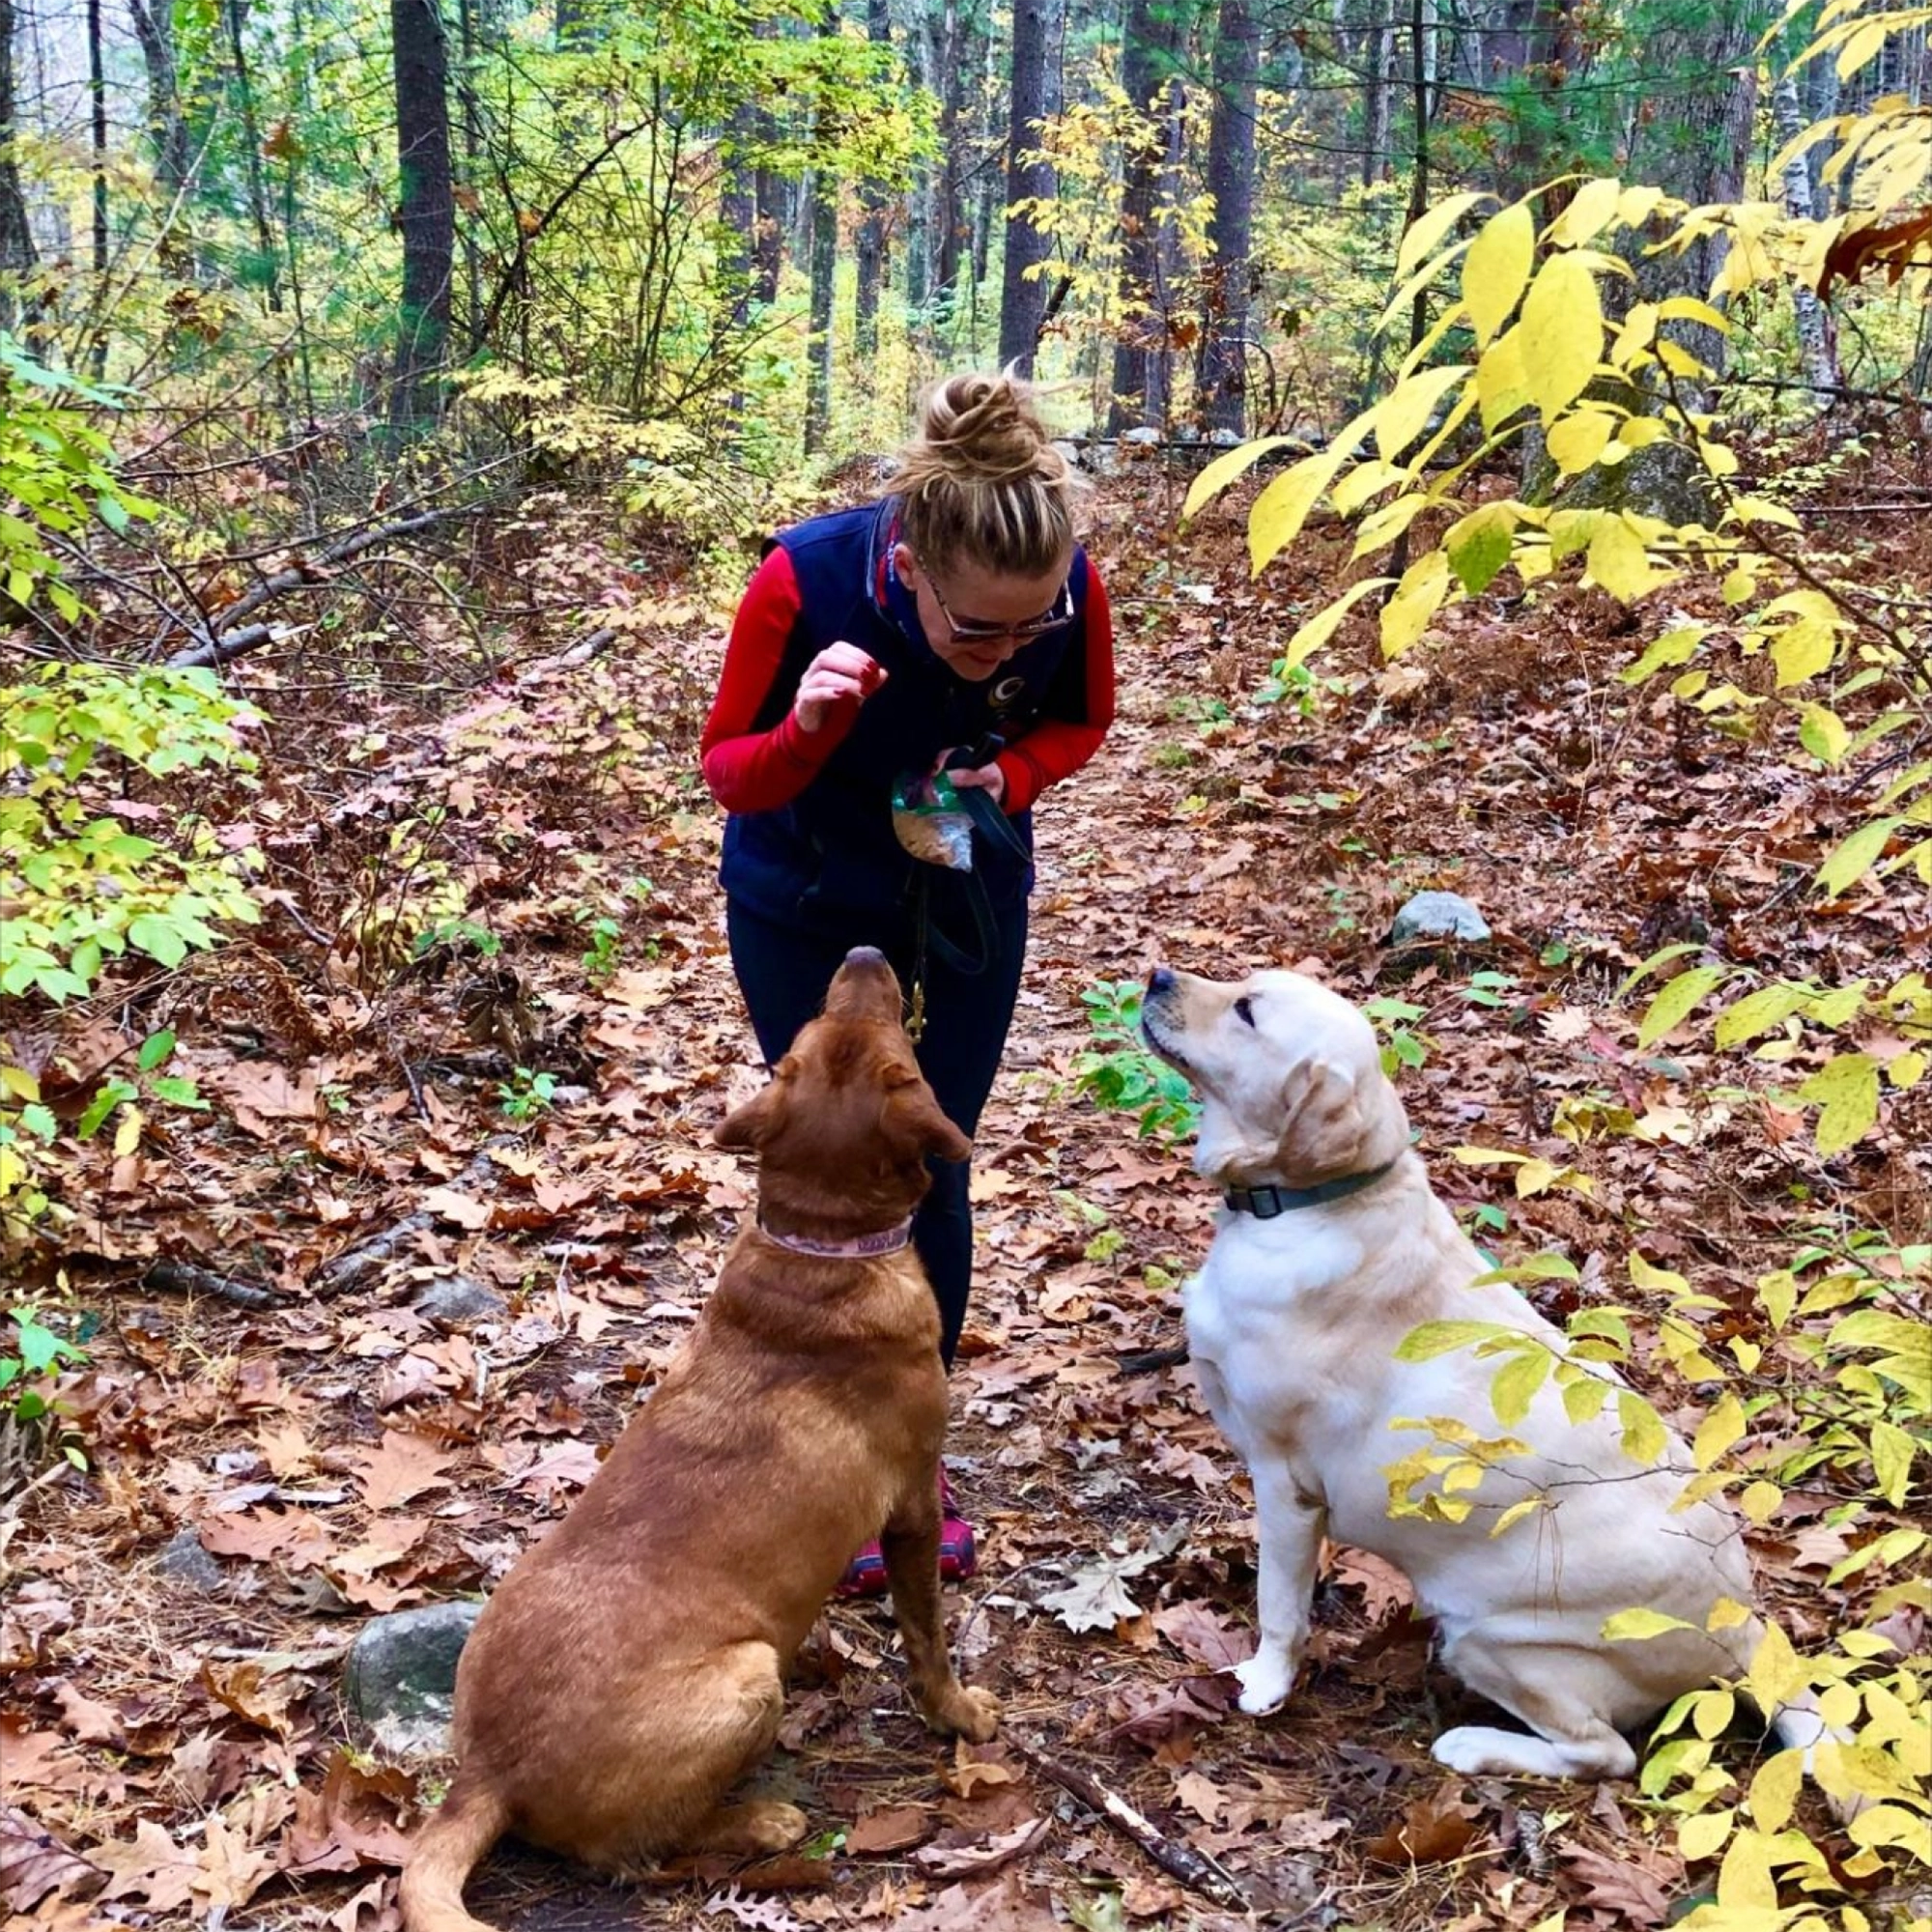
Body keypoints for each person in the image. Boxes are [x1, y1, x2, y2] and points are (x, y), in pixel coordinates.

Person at [699, 370, 1116, 1592]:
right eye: (978, 629)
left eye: (1031, 625)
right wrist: (812, 725)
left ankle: (906, 1457)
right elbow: (731, 771)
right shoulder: (804, 576)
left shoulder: (1062, 586)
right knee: (825, 1159)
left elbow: (1082, 719)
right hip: (805, 905)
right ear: (913, 566)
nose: (1011, 647)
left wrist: (1015, 777)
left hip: (964, 898)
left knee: (929, 1159)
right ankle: (798, 1426)